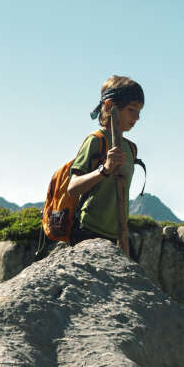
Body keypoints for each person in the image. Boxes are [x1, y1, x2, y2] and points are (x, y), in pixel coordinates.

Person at [66, 76, 143, 244]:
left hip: (118, 235)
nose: (137, 117)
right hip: (87, 231)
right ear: (109, 106)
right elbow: (72, 188)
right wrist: (105, 169)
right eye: (132, 109)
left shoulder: (131, 148)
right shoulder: (96, 140)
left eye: (140, 111)